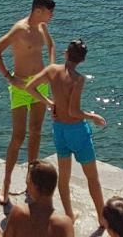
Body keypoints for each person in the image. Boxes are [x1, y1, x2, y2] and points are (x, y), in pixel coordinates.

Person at [23, 39, 107, 230]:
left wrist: (49, 103)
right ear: (82, 60)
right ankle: (102, 218)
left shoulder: (52, 70)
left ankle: (69, 214)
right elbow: (74, 112)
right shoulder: (78, 79)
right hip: (77, 131)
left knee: (64, 176)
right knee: (92, 177)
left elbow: (29, 87)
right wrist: (93, 116)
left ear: (66, 54)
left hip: (59, 130)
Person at [0, 0, 57, 206]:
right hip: (20, 87)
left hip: (40, 84)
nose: (51, 15)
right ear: (38, 10)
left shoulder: (42, 27)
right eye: (49, 12)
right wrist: (9, 78)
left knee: (36, 132)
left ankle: (31, 181)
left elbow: (51, 46)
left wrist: (52, 70)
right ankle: (6, 184)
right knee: (18, 137)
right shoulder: (20, 29)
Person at [2, 161, 73, 237]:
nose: (27, 183)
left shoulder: (19, 213)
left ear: (34, 187)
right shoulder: (64, 224)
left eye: (29, 180)